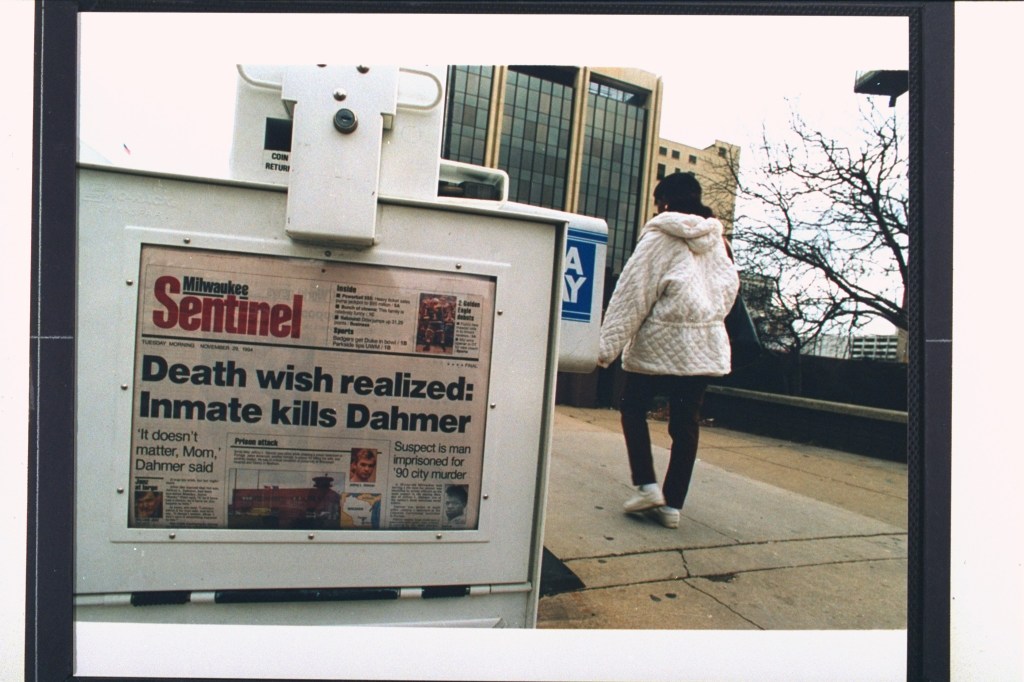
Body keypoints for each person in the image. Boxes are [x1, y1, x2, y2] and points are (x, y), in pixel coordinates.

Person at [597, 172, 739, 529]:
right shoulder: (718, 242)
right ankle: (672, 506)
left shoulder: (660, 236)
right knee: (685, 424)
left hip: (661, 340)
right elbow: (729, 291)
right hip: (705, 345)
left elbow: (633, 296)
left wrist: (604, 349)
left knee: (632, 406)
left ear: (664, 202)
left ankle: (646, 485)